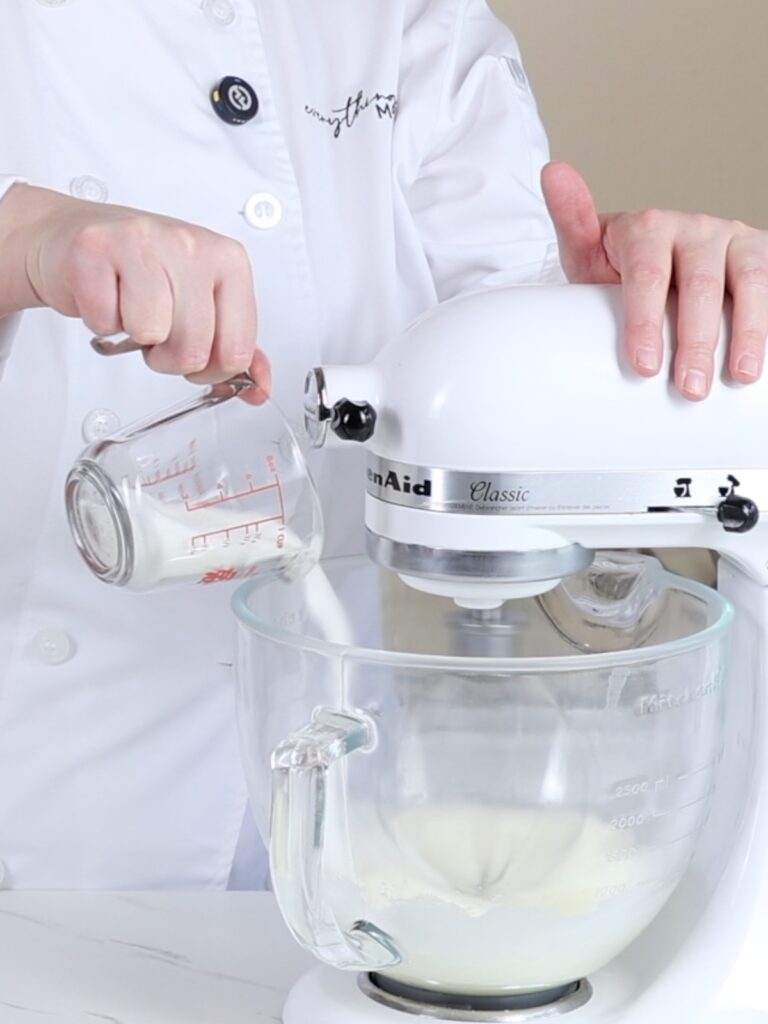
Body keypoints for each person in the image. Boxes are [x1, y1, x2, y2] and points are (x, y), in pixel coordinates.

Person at [0, 0, 765, 891]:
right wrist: (18, 245)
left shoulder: (398, 18)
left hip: (311, 827)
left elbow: (509, 358)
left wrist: (637, 317)